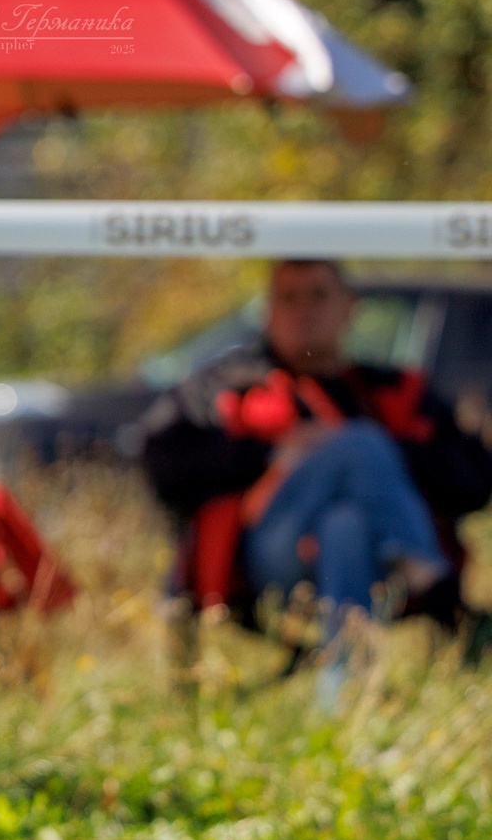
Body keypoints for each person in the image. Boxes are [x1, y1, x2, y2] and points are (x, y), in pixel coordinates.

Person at [140, 259, 492, 703]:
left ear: (350, 308)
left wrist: (389, 454)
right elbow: (161, 463)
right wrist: (277, 451)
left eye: (319, 296)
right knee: (356, 445)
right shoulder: (224, 386)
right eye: (289, 298)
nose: (304, 310)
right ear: (267, 311)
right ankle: (435, 586)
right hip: (262, 557)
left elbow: (475, 481)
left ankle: (341, 698)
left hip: (365, 554)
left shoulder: (393, 388)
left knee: (344, 522)